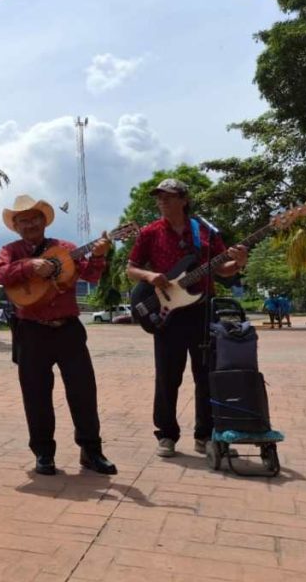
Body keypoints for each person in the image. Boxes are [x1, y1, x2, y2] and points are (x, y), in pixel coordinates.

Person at [0, 194, 118, 476]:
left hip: (68, 329)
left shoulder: (67, 248)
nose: (30, 224)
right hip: (30, 331)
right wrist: (28, 266)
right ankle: (44, 453)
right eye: (23, 220)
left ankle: (91, 450)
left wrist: (98, 255)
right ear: (16, 226)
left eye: (35, 218)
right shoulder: (10, 250)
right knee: (35, 395)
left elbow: (92, 277)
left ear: (44, 221)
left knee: (83, 390)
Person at [125, 178, 248, 458]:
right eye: (159, 198)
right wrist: (150, 276)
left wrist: (239, 261)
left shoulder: (204, 231)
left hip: (202, 311)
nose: (162, 202)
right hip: (167, 313)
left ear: (183, 199)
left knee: (206, 375)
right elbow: (131, 268)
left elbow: (223, 269)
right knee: (168, 376)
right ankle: (167, 434)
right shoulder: (150, 232)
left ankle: (204, 435)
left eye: (167, 197)